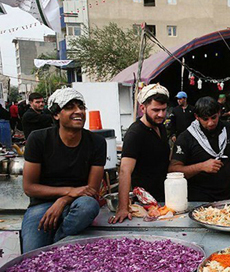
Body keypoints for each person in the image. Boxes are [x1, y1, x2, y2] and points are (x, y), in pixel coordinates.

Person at [21, 87, 106, 253]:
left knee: (89, 205)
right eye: (69, 107)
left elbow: (92, 189)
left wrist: (63, 200)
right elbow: (29, 187)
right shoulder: (38, 139)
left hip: (79, 203)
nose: (78, 112)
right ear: (56, 115)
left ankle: (56, 245)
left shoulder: (97, 142)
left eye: (81, 107)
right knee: (31, 256)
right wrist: (70, 191)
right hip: (42, 205)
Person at [110, 83, 170, 223]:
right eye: (156, 110)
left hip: (164, 197)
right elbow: (125, 171)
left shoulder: (160, 127)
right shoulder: (135, 133)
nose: (161, 114)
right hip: (145, 202)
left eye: (164, 110)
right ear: (142, 108)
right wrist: (123, 207)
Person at [169, 97, 230, 202]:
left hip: (226, 195)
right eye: (205, 119)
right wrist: (201, 166)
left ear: (219, 113)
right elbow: (173, 170)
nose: (210, 123)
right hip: (198, 199)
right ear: (197, 117)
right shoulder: (186, 137)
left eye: (213, 117)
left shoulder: (228, 129)